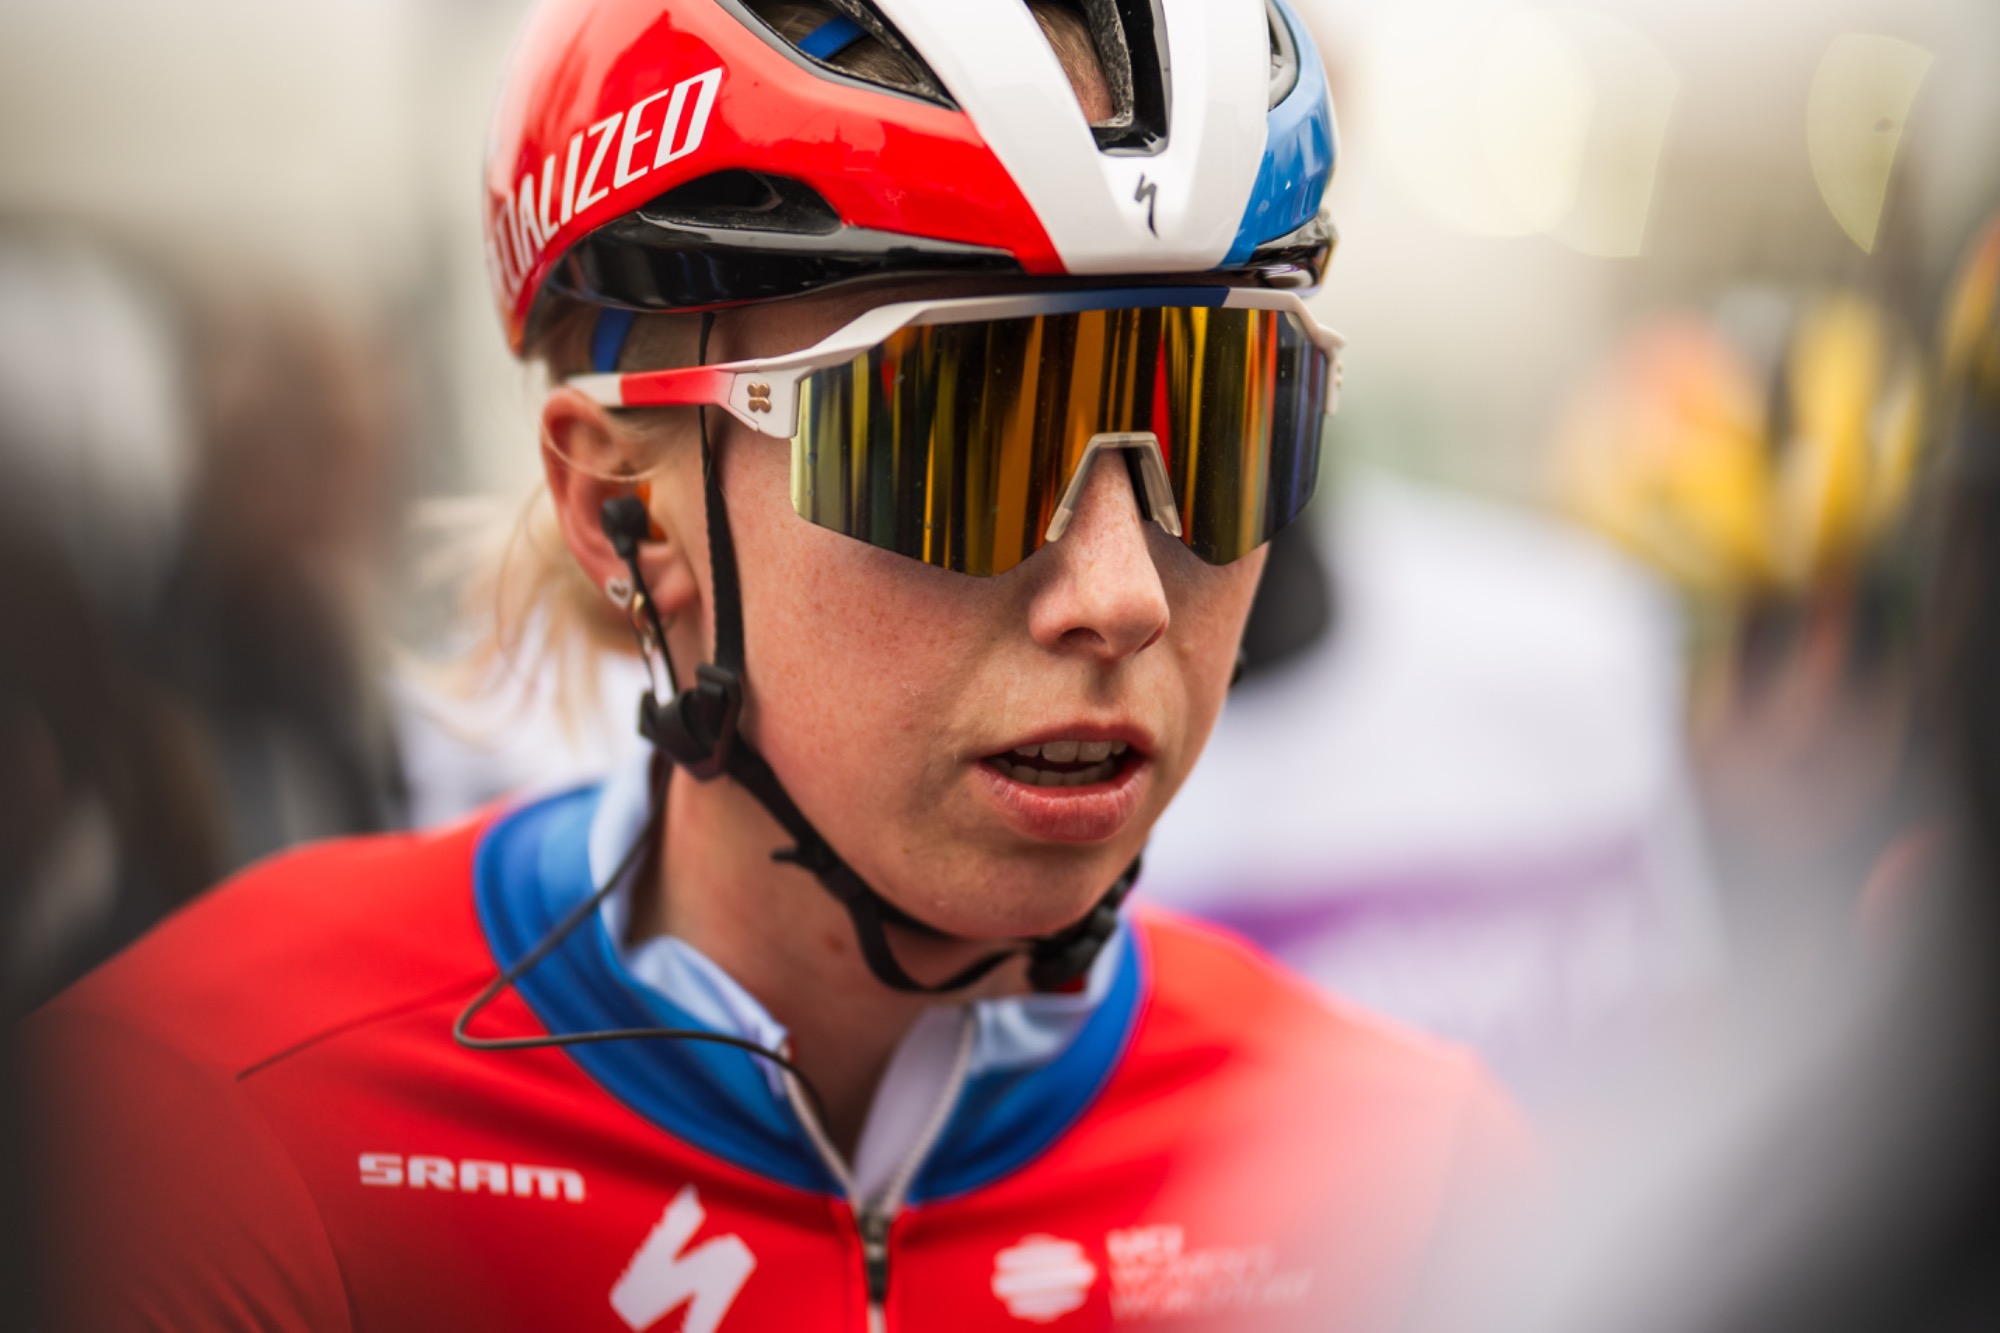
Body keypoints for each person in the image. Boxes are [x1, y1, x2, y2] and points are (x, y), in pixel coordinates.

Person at [26, 2, 1523, 1329]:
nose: (1122, 597)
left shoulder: (1409, 1176)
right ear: (624, 508)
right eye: (963, 447)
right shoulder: (200, 1123)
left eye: (1227, 423)